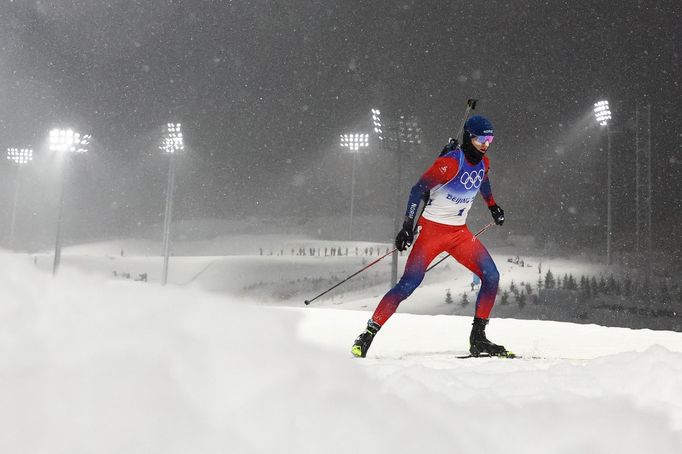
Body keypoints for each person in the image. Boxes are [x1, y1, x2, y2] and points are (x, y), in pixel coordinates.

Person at [351, 115, 507, 358]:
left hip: (459, 233)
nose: (486, 144)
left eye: (490, 139)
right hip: (432, 232)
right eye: (480, 139)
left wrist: (493, 206)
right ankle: (368, 333)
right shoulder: (451, 163)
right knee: (408, 284)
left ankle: (478, 338)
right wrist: (406, 226)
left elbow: (482, 180)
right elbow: (418, 190)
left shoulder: (483, 162)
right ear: (469, 137)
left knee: (491, 276)